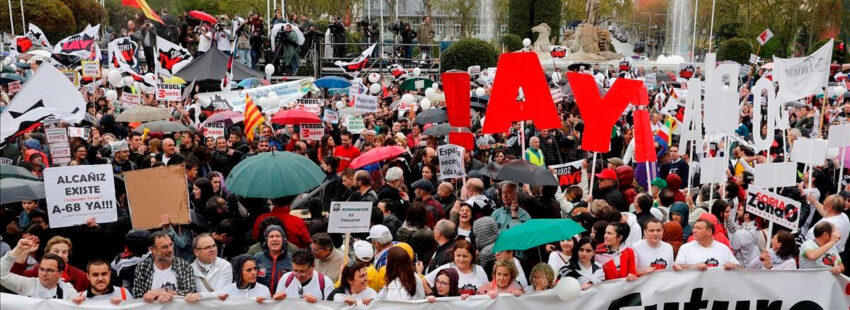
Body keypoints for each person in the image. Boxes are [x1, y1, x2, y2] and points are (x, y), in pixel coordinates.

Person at [1, 236, 77, 300]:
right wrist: (18, 249)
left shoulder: (68, 289)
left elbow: (79, 302)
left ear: (60, 273)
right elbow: (2, 275)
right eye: (41, 269)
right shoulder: (28, 284)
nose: (44, 274)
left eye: (49, 270)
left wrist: (79, 302)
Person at [132, 231, 198, 302]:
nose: (170, 250)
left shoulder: (183, 265)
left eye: (171, 245)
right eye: (164, 247)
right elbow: (137, 299)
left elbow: (191, 293)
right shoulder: (143, 268)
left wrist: (165, 291)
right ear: (152, 249)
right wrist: (156, 297)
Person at [10, 235, 89, 292]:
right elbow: (15, 278)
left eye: (64, 252)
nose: (60, 255)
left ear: (68, 255)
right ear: (48, 253)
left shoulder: (81, 276)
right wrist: (25, 251)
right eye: (56, 251)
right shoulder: (37, 271)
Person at [673, 219, 741, 271]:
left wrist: (733, 266)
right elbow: (677, 266)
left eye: (698, 228)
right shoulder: (685, 248)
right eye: (694, 227)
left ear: (709, 231)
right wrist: (695, 266)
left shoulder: (723, 248)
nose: (694, 230)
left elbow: (739, 267)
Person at [253, 225, 292, 293]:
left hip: (284, 300)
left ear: (283, 239)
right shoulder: (257, 257)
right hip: (261, 300)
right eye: (271, 236)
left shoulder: (292, 259)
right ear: (266, 240)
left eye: (278, 236)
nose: (275, 239)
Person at [192, 233, 233, 298]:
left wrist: (199, 295)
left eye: (214, 246)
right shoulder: (188, 269)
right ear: (196, 252)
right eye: (207, 247)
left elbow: (222, 293)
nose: (213, 250)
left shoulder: (225, 265)